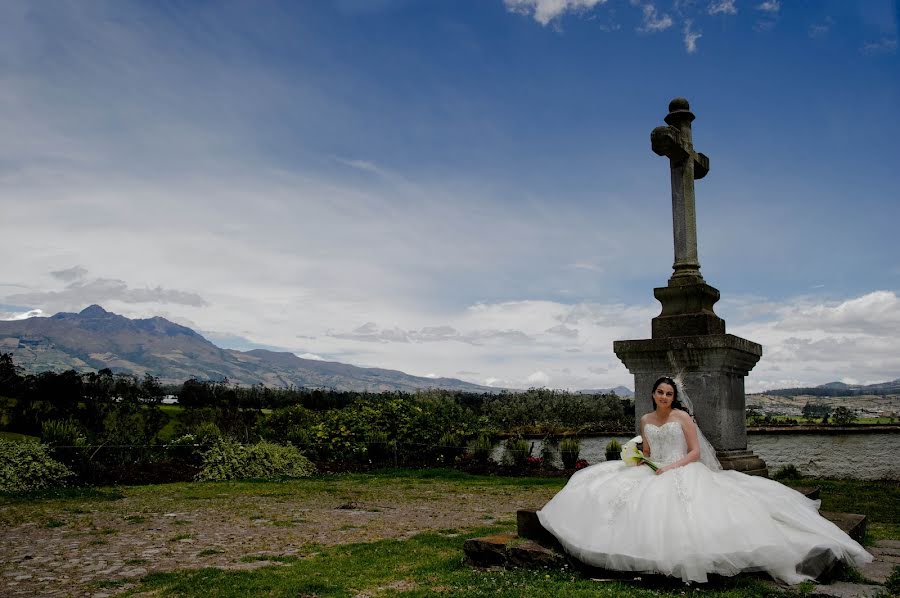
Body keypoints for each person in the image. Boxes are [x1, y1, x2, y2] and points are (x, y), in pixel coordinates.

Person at [537, 376, 873, 585]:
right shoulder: (644, 418)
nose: (664, 397)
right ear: (653, 395)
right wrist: (640, 458)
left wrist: (671, 468)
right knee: (600, 488)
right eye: (660, 392)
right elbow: (649, 447)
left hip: (682, 469)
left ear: (674, 397)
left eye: (669, 393)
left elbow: (696, 452)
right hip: (652, 468)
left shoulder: (683, 417)